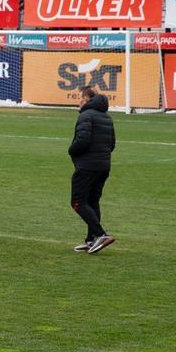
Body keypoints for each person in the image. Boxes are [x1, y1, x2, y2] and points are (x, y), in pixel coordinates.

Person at [69, 86, 116, 254]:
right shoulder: (107, 117)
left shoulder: (86, 116)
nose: (78, 100)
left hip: (87, 167)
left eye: (79, 97)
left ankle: (100, 234)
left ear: (87, 99)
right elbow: (112, 144)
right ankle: (91, 240)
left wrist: (71, 150)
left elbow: (82, 141)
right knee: (92, 201)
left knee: (78, 202)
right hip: (103, 166)